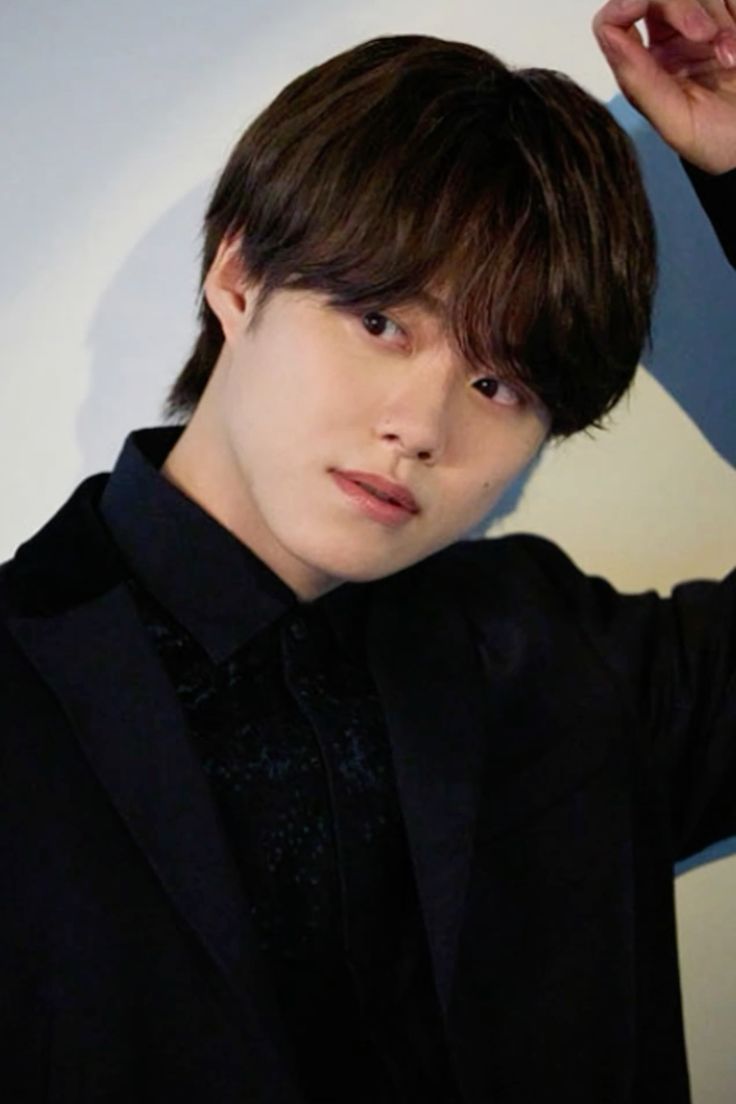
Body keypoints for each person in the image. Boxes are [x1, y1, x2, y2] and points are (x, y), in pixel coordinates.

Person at [1, 0, 734, 1101]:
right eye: (381, 322)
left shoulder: (564, 660)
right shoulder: (23, 696)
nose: (423, 426)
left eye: (496, 383)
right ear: (238, 277)